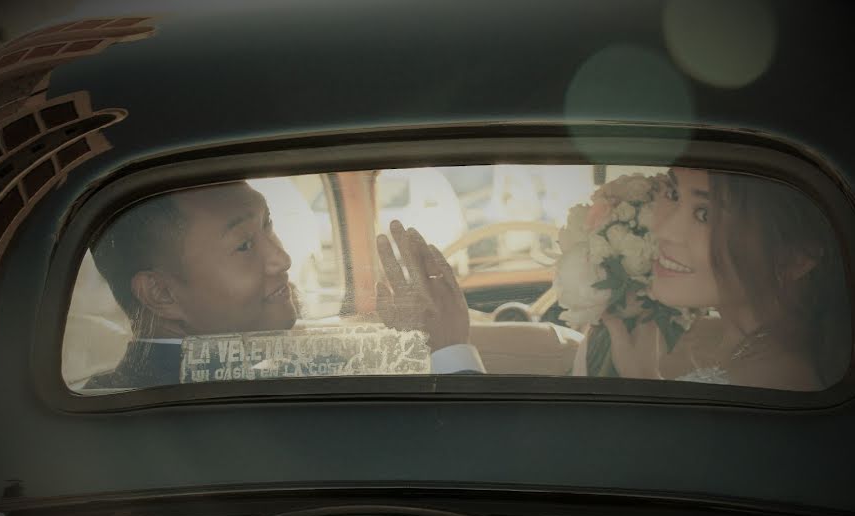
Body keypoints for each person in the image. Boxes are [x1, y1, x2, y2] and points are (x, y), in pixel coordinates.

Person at [87, 180, 481, 389]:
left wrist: (406, 351)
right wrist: (449, 353)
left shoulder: (105, 393)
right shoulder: (246, 400)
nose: (283, 259)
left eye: (268, 226)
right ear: (162, 294)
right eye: (244, 244)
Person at [574, 168, 849, 390]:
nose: (664, 230)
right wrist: (642, 376)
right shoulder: (763, 350)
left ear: (794, 258)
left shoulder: (775, 381)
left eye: (705, 214)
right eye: (672, 193)